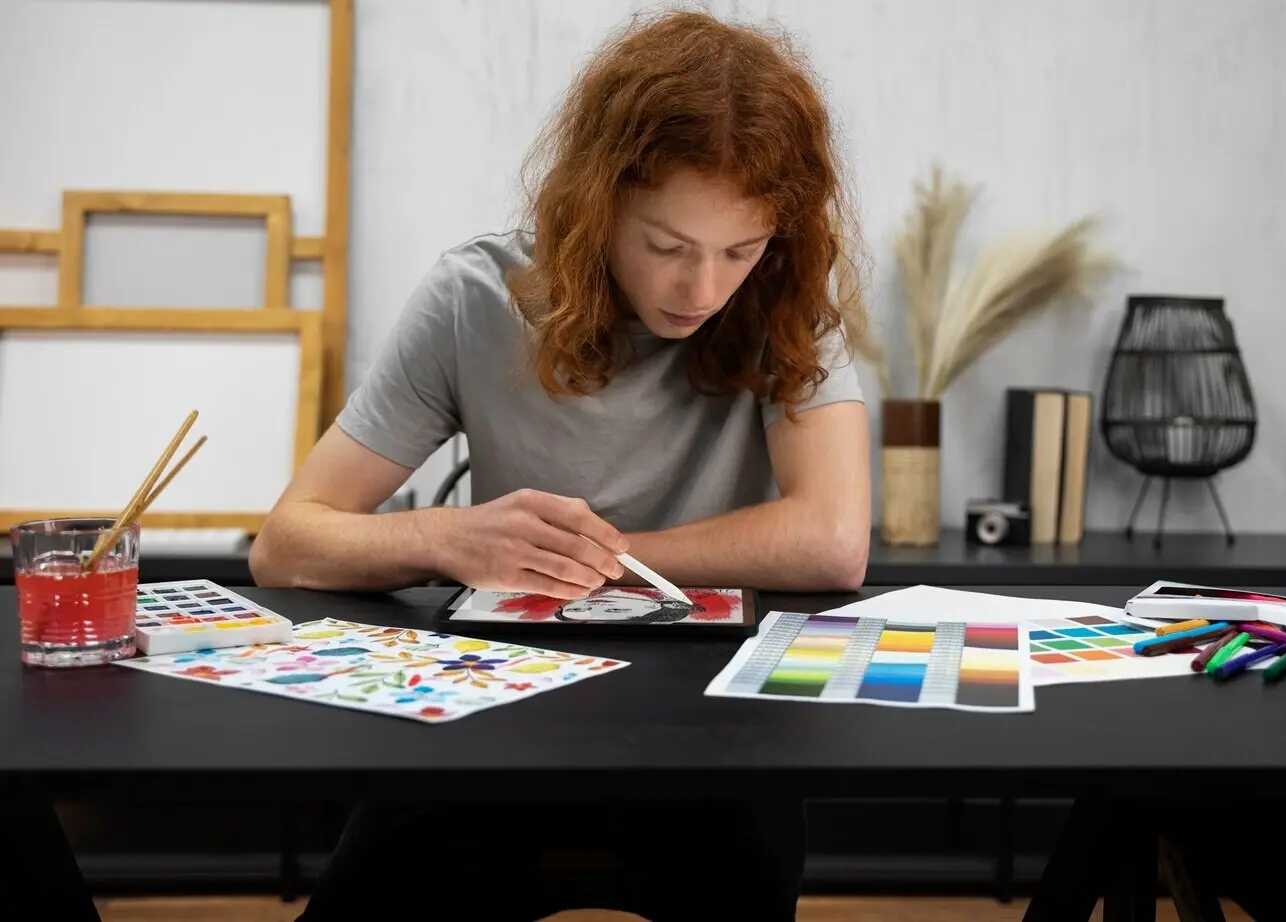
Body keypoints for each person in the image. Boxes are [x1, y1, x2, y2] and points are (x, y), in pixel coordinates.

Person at [250, 8, 871, 921]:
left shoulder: (785, 304)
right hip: (495, 704)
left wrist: (595, 559)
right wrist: (451, 538)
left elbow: (830, 541)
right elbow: (286, 541)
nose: (702, 290)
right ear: (597, 202)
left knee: (735, 877)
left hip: (708, 718)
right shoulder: (475, 296)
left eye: (739, 250)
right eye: (666, 246)